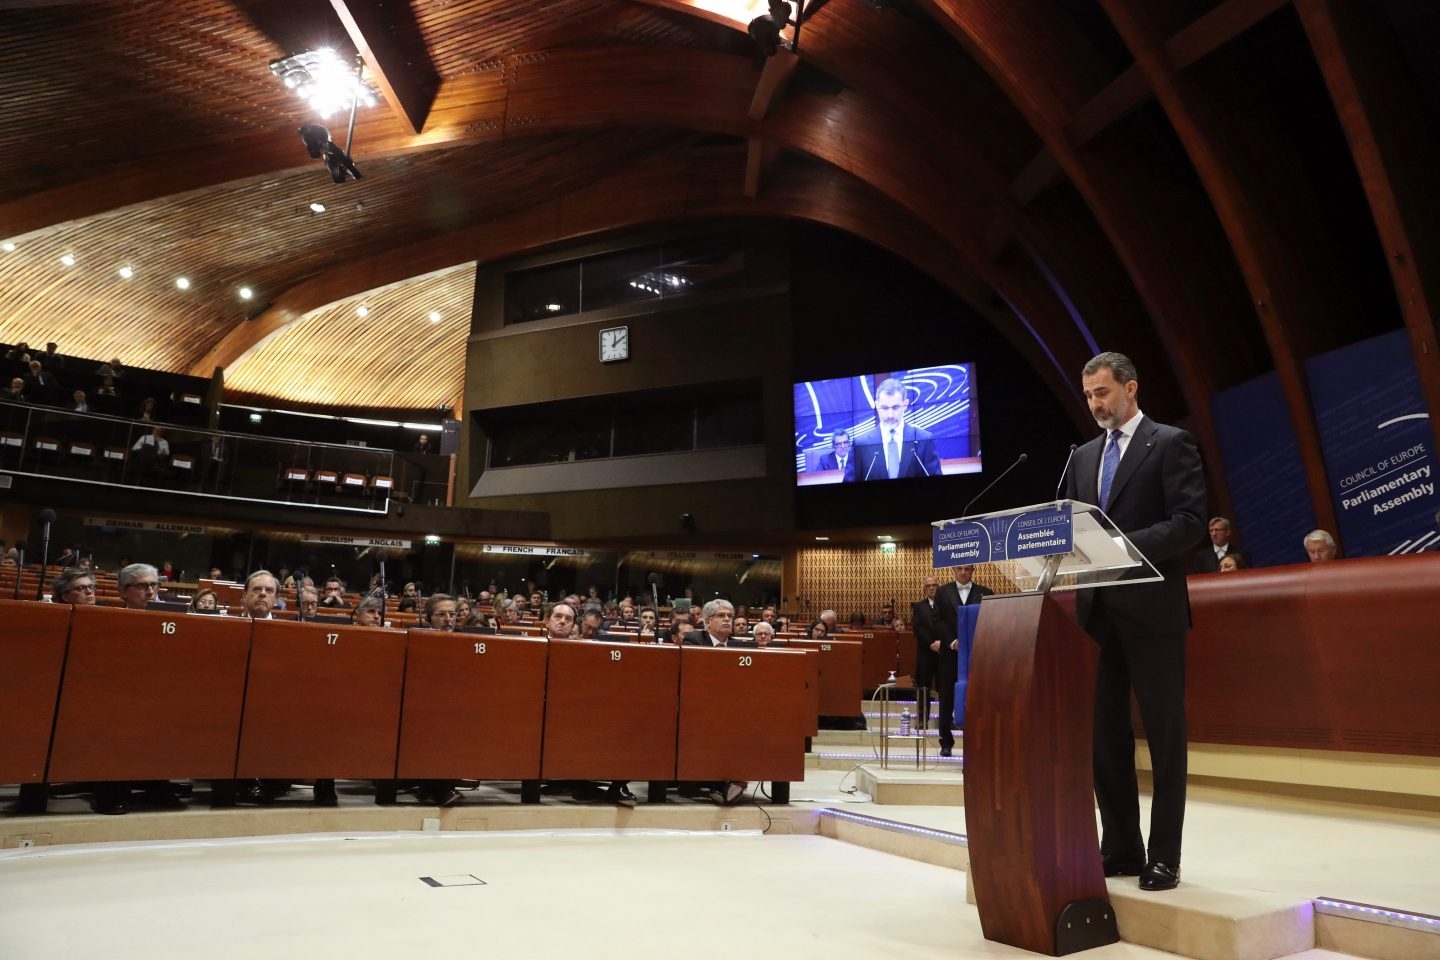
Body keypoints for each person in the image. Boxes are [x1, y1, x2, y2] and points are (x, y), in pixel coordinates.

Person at [1064, 352, 1206, 892]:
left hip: (1153, 613)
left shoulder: (1170, 443)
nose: (1096, 404)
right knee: (1104, 740)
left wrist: (1120, 547)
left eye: (1103, 392)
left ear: (1131, 387)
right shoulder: (1081, 457)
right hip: (1096, 615)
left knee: (1166, 738)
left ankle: (1164, 856)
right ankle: (1121, 847)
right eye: (1089, 395)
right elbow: (1076, 526)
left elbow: (1189, 523)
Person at [934, 564, 991, 756]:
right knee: (947, 698)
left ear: (973, 570)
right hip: (950, 654)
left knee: (975, 698)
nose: (963, 572)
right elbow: (937, 621)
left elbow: (990, 621)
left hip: (977, 655)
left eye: (967, 569)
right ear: (953, 570)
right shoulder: (942, 592)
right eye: (960, 569)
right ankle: (946, 742)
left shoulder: (985, 592)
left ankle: (975, 742)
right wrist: (953, 642)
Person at [852, 377, 942, 480]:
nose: (890, 415)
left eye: (895, 408)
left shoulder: (924, 440)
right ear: (877, 405)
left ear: (905, 404)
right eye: (885, 408)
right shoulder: (860, 444)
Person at [911, 575, 951, 742]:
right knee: (923, 689)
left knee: (945, 690)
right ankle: (922, 720)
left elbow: (950, 626)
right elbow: (917, 628)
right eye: (929, 586)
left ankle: (946, 721)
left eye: (935, 585)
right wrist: (931, 644)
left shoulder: (947, 605)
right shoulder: (919, 607)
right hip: (926, 654)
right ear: (924, 589)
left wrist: (943, 642)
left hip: (945, 653)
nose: (932, 588)